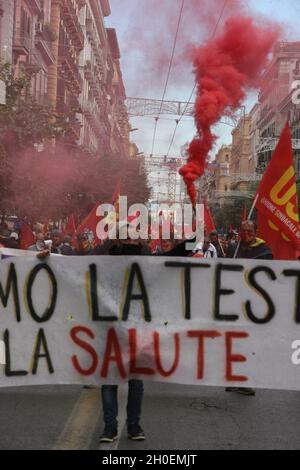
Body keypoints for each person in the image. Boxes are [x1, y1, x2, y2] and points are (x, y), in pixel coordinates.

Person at [99, 225, 150, 443]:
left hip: (137, 328)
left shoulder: (149, 260)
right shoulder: (107, 255)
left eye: (134, 236)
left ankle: (133, 425)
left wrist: (193, 235)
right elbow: (72, 263)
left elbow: (177, 255)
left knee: (136, 381)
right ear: (118, 239)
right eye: (125, 235)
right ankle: (110, 427)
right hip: (110, 327)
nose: (130, 239)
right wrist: (46, 257)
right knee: (109, 379)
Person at [226, 220, 273, 397]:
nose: (246, 233)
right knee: (234, 341)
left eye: (249, 230)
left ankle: (248, 381)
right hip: (234, 302)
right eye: (243, 230)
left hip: (254, 305)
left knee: (249, 343)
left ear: (255, 231)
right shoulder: (233, 249)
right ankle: (233, 379)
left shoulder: (264, 251)